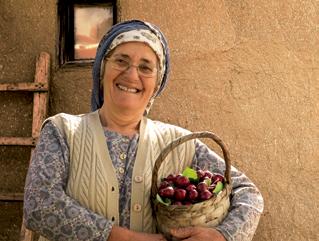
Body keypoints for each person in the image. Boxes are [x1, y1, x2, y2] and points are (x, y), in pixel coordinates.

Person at [23, 19, 264, 241]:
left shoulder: (180, 143)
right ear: (102, 68)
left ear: (157, 83)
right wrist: (123, 238)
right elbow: (39, 206)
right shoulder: (62, 131)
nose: (131, 74)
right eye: (121, 60)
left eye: (146, 67)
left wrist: (223, 236)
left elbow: (248, 193)